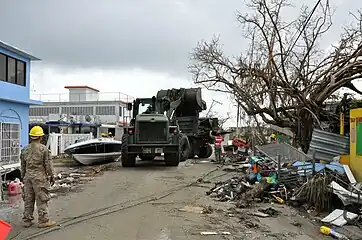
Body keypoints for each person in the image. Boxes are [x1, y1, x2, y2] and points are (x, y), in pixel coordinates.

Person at [21, 126, 56, 228]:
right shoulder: (44, 149)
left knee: (28, 199)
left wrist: (23, 176)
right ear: (41, 137)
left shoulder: (25, 150)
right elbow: (48, 165)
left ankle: (27, 220)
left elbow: (23, 165)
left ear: (31, 137)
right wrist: (52, 176)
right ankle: (43, 220)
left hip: (28, 177)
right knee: (42, 199)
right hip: (40, 178)